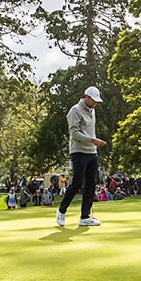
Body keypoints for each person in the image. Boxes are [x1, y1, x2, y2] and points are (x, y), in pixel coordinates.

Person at [56, 86, 107, 227]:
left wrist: (93, 143)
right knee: (77, 183)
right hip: (78, 151)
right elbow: (74, 133)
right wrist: (92, 140)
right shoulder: (75, 111)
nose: (95, 103)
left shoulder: (93, 110)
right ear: (87, 97)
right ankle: (61, 210)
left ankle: (85, 217)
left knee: (91, 184)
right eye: (94, 100)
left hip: (92, 151)